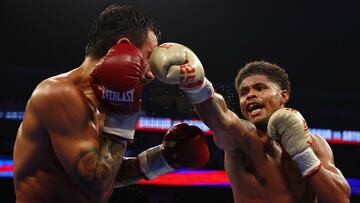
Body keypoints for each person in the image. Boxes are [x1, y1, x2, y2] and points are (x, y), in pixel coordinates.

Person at [13, 5, 209, 203]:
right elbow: (95, 185)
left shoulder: (105, 102)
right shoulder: (57, 94)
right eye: (149, 57)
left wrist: (164, 158)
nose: (151, 73)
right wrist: (123, 115)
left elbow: (108, 172)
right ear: (124, 47)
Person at [149, 43, 351, 202]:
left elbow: (339, 198)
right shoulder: (245, 138)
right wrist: (197, 86)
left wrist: (302, 153)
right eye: (243, 93)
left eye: (260, 88)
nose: (250, 96)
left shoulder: (315, 144)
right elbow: (220, 117)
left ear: (283, 95)